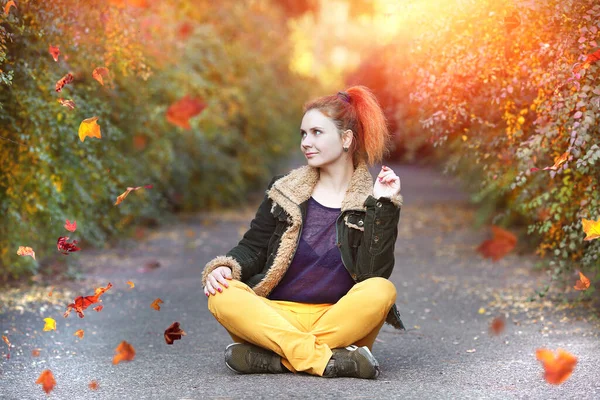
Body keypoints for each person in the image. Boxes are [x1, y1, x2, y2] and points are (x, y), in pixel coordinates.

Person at [202, 85, 405, 380]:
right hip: (275, 316)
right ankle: (331, 361)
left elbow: (372, 272)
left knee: (382, 289)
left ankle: (275, 358)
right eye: (303, 134)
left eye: (316, 133)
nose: (306, 142)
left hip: (337, 320)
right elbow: (253, 247)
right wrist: (223, 267)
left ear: (346, 139)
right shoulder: (284, 191)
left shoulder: (370, 202)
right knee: (222, 295)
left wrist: (383, 206)